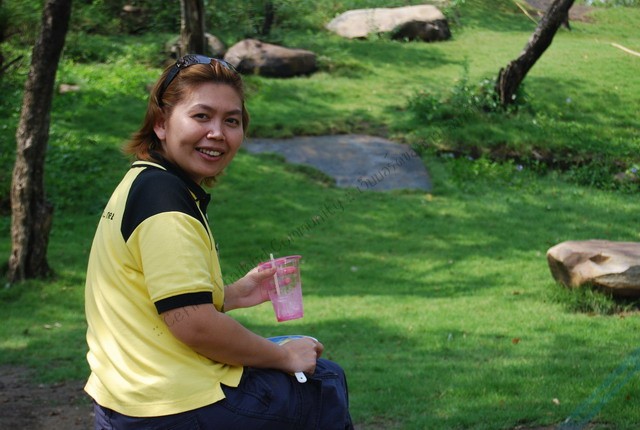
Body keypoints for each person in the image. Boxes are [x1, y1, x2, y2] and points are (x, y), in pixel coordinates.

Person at [84, 54, 354, 430]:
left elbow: (164, 300)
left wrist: (233, 295)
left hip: (126, 398)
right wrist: (284, 357)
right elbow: (194, 325)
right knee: (323, 382)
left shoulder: (144, 181)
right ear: (161, 123)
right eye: (201, 116)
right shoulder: (166, 201)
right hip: (170, 406)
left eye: (232, 121)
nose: (217, 133)